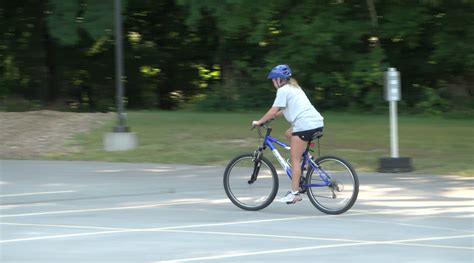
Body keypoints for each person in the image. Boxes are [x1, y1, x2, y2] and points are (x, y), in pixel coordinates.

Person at [252, 64, 324, 204]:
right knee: (288, 133)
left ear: (279, 79)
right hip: (316, 122)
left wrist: (260, 121)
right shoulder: (294, 88)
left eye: (273, 80)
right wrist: (271, 118)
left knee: (294, 160)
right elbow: (282, 110)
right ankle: (307, 157)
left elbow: (274, 110)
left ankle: (295, 194)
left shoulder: (283, 90)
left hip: (304, 125)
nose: (273, 83)